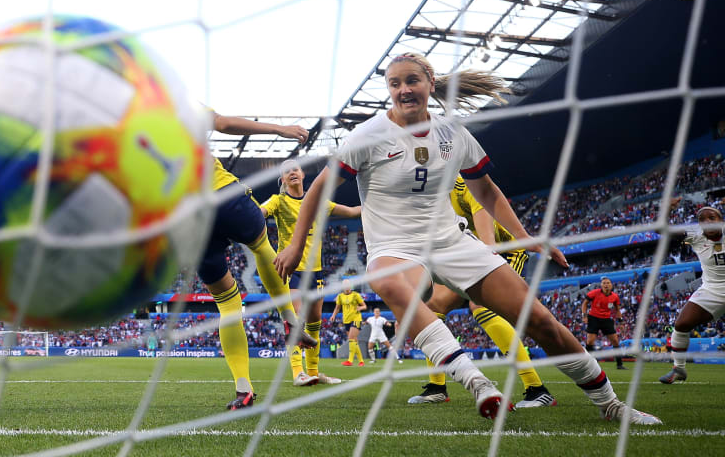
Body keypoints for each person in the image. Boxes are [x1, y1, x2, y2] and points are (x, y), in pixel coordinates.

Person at [274, 52, 660, 424]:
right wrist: (295, 244)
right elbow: (318, 191)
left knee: (540, 321)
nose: (403, 90)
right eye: (395, 84)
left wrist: (524, 238)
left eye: (412, 80)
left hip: (451, 242)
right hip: (394, 247)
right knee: (387, 281)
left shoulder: (452, 133)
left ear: (430, 84)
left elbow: (486, 190)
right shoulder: (368, 135)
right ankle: (476, 382)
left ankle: (610, 405)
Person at [409, 176, 557, 408]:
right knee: (432, 307)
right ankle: (437, 388)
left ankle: (536, 389)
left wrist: (487, 252)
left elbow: (482, 209)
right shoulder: (423, 193)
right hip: (464, 255)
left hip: (503, 249)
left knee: (481, 306)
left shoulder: (458, 182)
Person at [202, 111, 318, 410]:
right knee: (261, 244)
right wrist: (280, 129)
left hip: (187, 218)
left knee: (227, 305)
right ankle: (290, 320)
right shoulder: (169, 94)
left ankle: (243, 389)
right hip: (223, 195)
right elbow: (223, 123)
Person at [260, 159, 360, 386]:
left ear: (303, 174)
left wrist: (382, 205)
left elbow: (353, 212)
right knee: (297, 321)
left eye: (295, 168)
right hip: (291, 270)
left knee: (315, 322)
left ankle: (313, 372)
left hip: (316, 272)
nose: (292, 173)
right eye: (287, 171)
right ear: (282, 179)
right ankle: (298, 373)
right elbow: (261, 211)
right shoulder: (279, 201)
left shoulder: (317, 202)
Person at [661, 206, 725, 383]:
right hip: (712, 289)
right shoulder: (696, 235)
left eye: (712, 217)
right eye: (702, 219)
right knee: (681, 324)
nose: (707, 221)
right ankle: (678, 369)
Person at [582, 277, 626, 370]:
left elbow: (617, 310)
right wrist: (584, 315)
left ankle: (619, 364)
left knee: (615, 341)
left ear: (611, 285)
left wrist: (621, 321)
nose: (606, 285)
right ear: (601, 285)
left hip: (606, 319)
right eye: (604, 283)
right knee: (590, 341)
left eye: (608, 283)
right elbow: (584, 303)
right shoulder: (594, 293)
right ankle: (591, 363)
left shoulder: (615, 296)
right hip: (593, 318)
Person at [334, 280, 367, 366]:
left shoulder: (356, 295)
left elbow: (364, 305)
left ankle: (350, 360)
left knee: (351, 338)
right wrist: (333, 315)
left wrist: (360, 308)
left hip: (356, 319)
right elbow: (337, 308)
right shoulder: (340, 296)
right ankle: (361, 361)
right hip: (346, 320)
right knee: (354, 341)